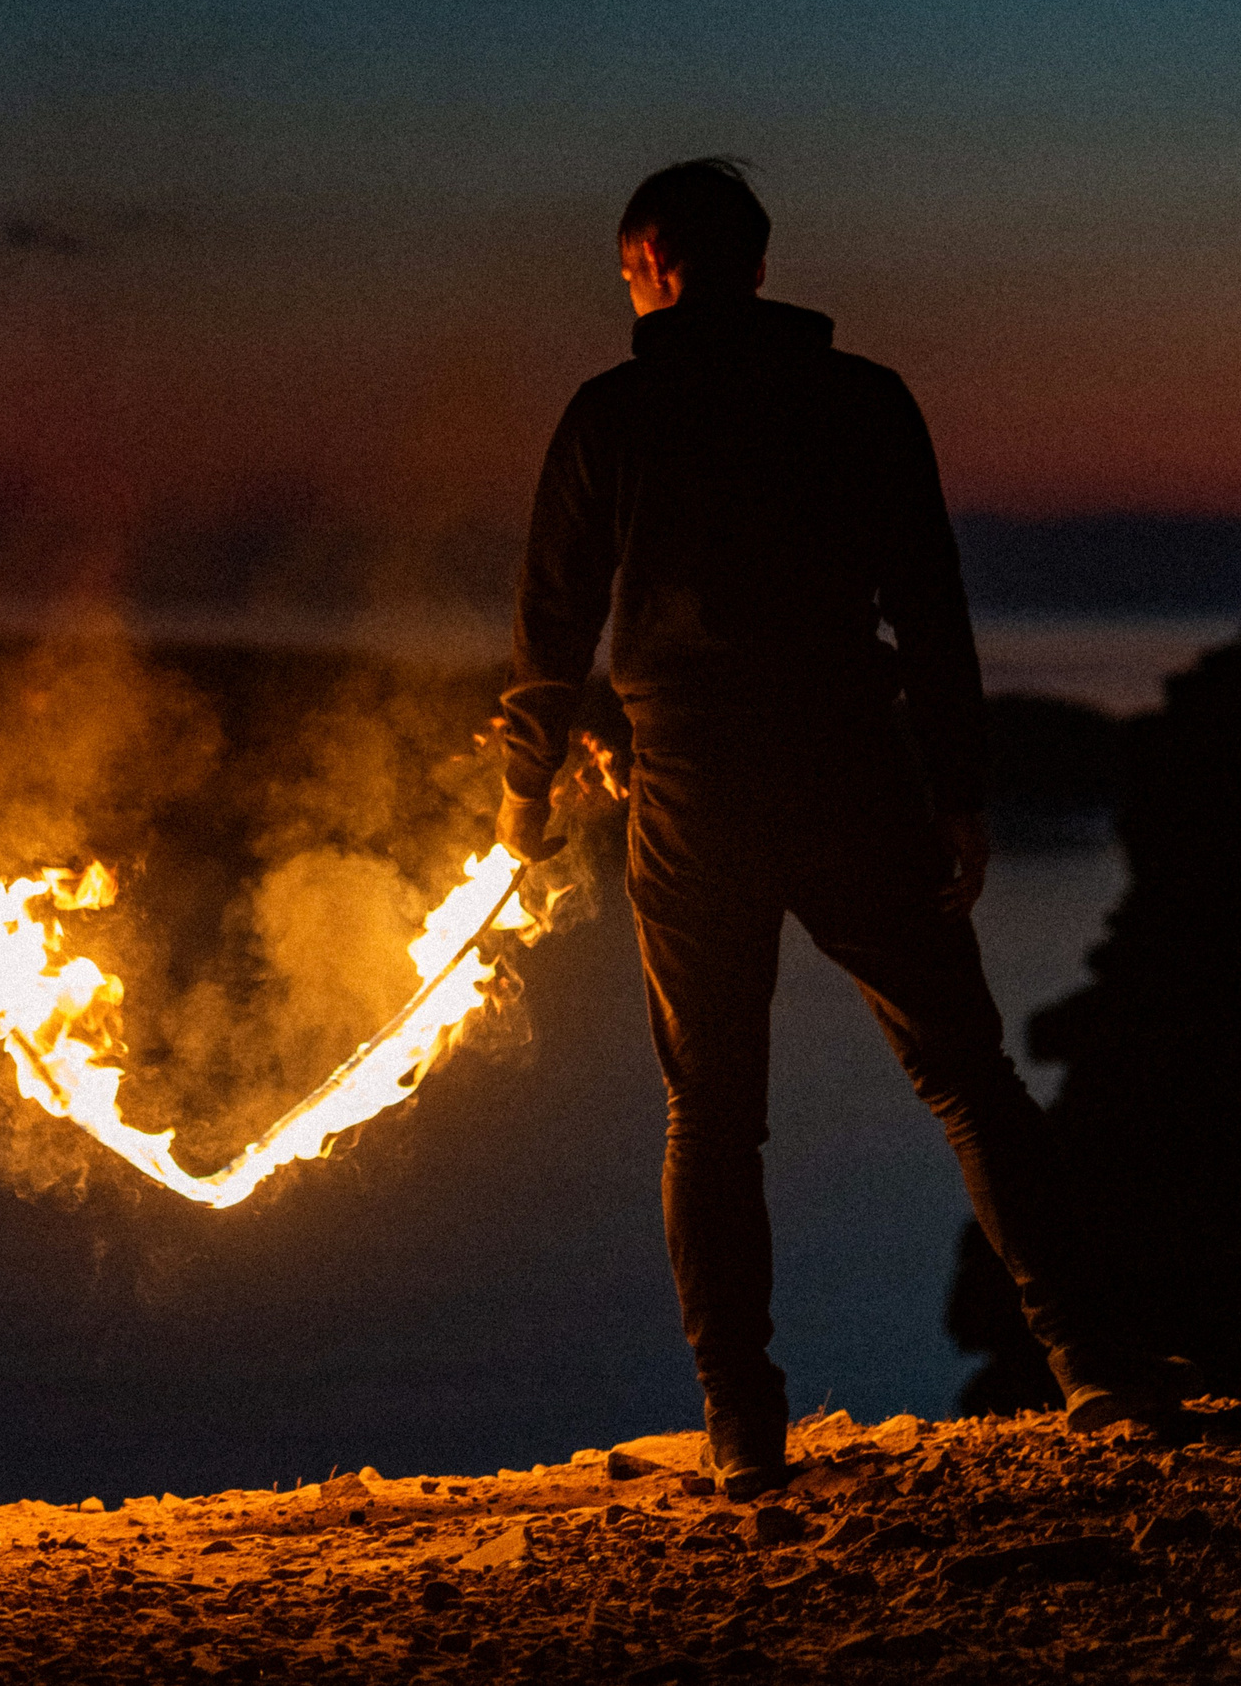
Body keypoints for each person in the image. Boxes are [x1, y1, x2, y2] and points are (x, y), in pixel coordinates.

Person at [496, 159, 1185, 1498]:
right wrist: (961, 786)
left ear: (647, 260)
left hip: (693, 781)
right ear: (757, 264)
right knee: (969, 1076)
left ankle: (743, 1427)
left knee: (711, 1109)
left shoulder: (613, 414)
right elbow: (932, 601)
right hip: (853, 765)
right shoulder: (861, 398)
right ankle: (1092, 1366)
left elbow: (553, 618)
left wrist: (526, 787)